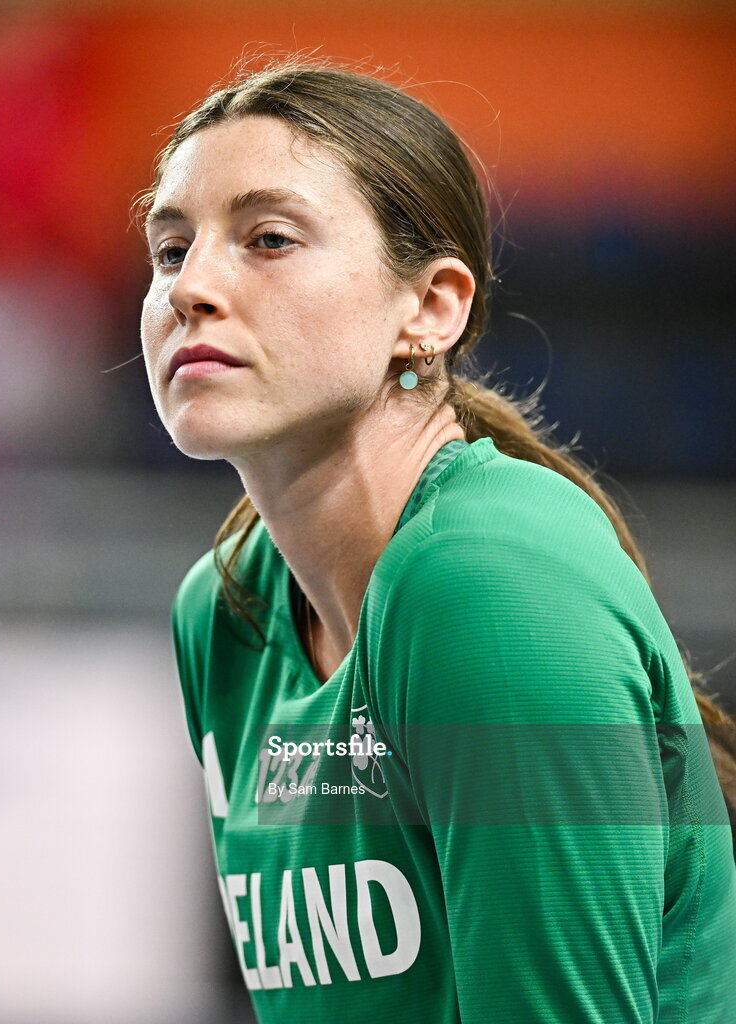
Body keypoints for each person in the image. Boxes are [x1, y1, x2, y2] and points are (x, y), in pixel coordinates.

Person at [137, 55, 736, 1023]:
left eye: (269, 238)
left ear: (430, 307)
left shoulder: (490, 581)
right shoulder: (226, 609)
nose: (190, 287)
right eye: (170, 250)